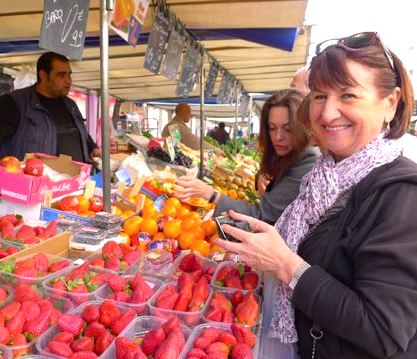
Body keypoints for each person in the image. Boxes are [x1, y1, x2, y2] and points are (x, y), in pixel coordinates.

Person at [216, 32, 417, 359]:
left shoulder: (401, 195)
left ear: (390, 104)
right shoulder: (321, 178)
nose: (326, 114)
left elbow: (383, 330)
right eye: (320, 96)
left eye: (348, 95)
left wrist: (285, 264)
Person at [173, 88, 319, 225]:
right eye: (272, 128)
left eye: (287, 129)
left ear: (303, 127)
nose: (278, 137)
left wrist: (211, 194)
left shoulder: (308, 161)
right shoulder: (289, 154)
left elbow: (264, 213)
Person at [0, 51, 100, 163]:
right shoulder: (13, 103)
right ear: (43, 75)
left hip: (77, 179)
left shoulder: (71, 105)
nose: (68, 80)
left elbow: (83, 133)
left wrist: (92, 147)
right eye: (61, 75)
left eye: (69, 74)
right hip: (35, 179)